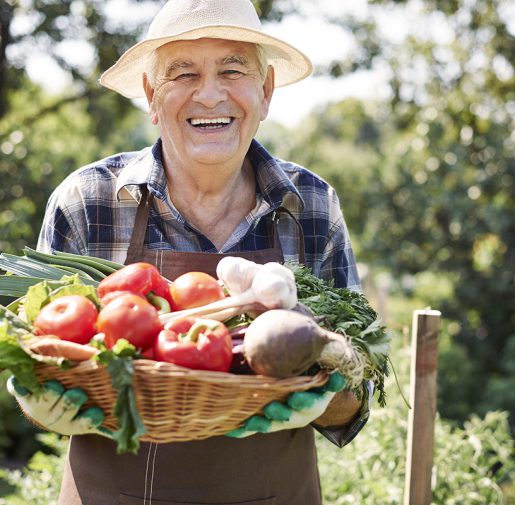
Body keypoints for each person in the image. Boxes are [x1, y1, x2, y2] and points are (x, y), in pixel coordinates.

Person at [12, 0, 372, 503]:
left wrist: (325, 391)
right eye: (182, 73)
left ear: (265, 92)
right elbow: (43, 359)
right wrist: (41, 398)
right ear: (150, 96)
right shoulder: (87, 201)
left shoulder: (312, 206)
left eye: (232, 69)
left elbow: (357, 393)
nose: (209, 94)